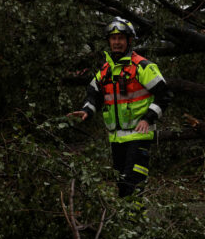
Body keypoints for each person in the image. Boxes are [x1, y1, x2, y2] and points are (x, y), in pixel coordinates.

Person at [68, 17, 172, 198]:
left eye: (121, 38)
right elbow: (94, 95)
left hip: (139, 135)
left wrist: (148, 118)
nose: (116, 42)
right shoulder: (105, 70)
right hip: (116, 138)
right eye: (113, 38)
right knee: (122, 184)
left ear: (129, 41)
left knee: (133, 183)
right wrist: (86, 111)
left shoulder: (142, 67)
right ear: (109, 41)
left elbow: (165, 95)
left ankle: (135, 222)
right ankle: (128, 222)